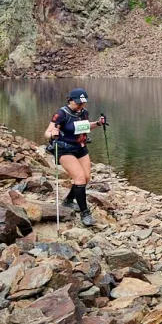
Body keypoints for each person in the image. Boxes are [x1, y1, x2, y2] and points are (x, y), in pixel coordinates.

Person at [44, 87, 107, 226]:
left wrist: (98, 123)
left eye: (83, 103)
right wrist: (53, 133)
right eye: (78, 103)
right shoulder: (61, 114)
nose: (81, 105)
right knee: (79, 178)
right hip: (64, 149)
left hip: (81, 148)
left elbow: (84, 127)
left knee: (86, 178)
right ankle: (85, 214)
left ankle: (68, 201)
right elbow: (47, 132)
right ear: (70, 100)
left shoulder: (84, 112)